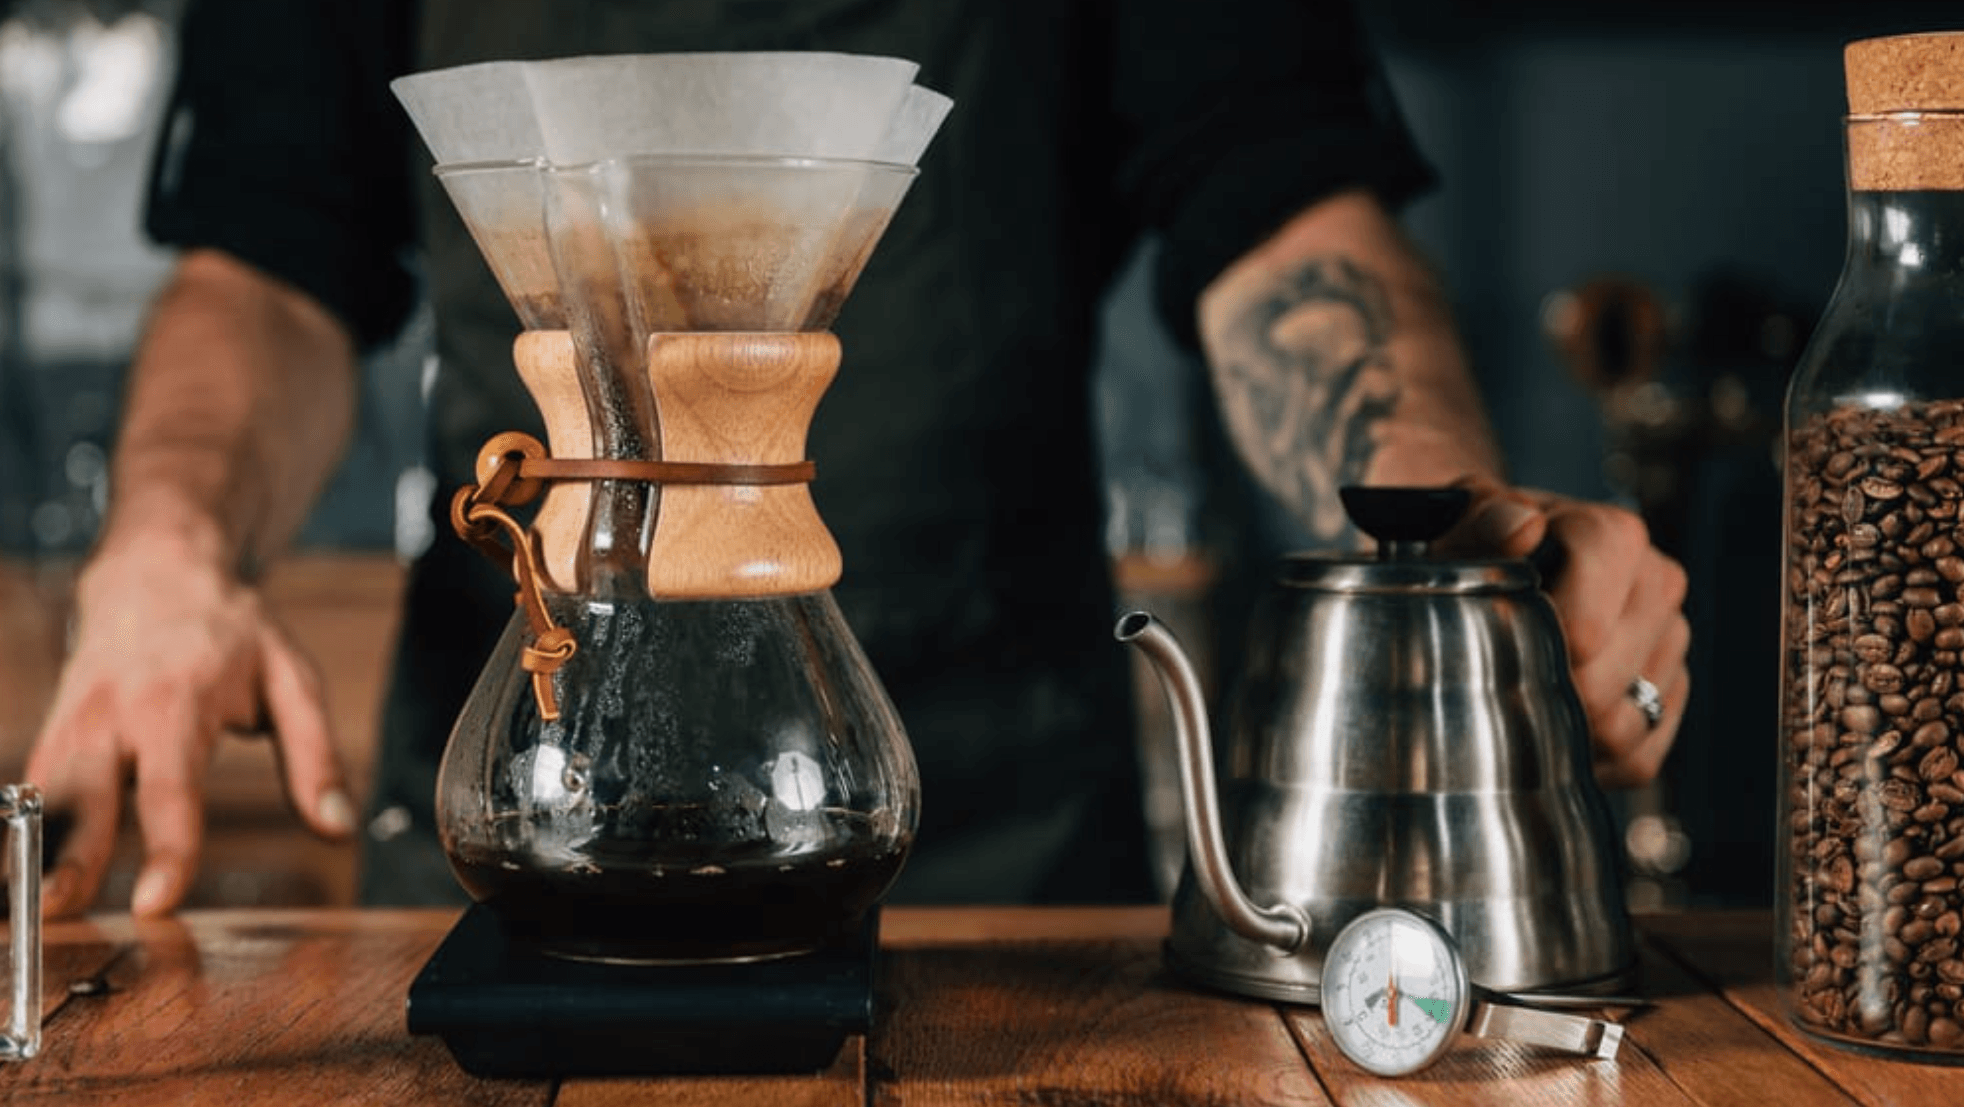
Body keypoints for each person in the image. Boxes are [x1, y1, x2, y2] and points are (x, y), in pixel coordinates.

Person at [27, 0, 1689, 917]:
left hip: (1000, 863)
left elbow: (1281, 212)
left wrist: (1444, 525)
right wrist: (165, 541)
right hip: (520, 814)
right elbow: (269, 255)